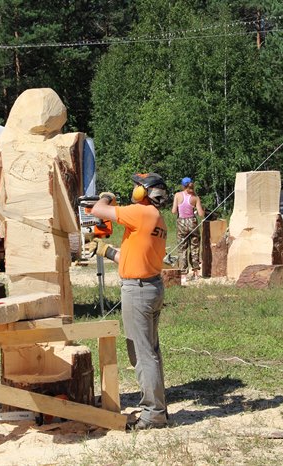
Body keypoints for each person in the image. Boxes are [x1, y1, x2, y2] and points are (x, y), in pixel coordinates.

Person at [90, 173, 169, 429]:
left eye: (136, 187)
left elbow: (97, 209)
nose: (134, 189)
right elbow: (135, 257)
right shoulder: (156, 218)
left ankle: (153, 414)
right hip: (150, 287)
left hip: (138, 291)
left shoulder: (140, 212)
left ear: (143, 192)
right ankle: (158, 409)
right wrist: (107, 251)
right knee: (149, 351)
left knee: (142, 354)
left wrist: (106, 197)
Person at [171, 177, 205, 279]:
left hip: (181, 223)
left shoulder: (177, 195)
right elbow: (201, 214)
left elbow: (174, 211)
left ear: (182, 186)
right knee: (195, 248)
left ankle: (183, 274)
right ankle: (196, 272)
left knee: (182, 249)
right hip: (192, 223)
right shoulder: (195, 197)